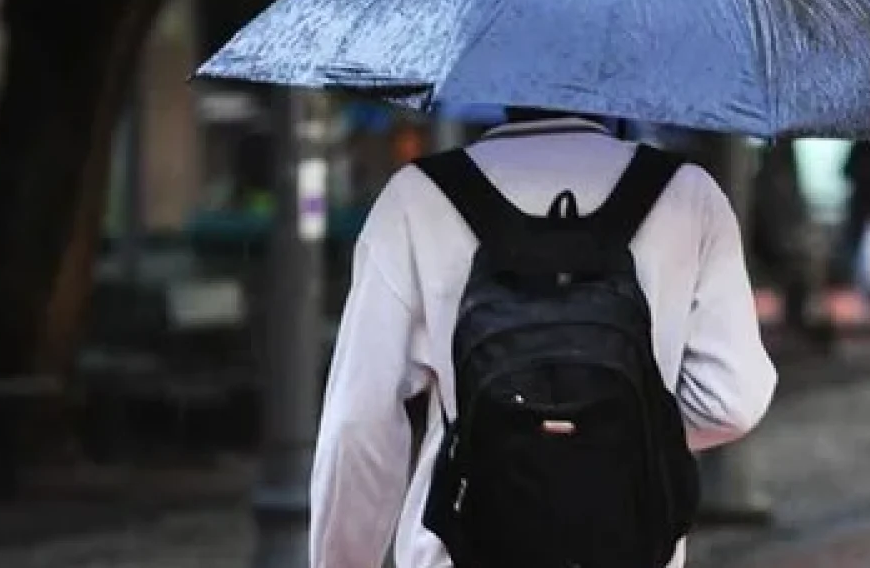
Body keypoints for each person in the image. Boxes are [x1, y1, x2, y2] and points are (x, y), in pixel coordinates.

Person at [309, 108, 777, 568]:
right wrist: (616, 430)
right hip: (629, 547)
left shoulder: (416, 198)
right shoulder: (689, 196)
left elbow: (358, 422)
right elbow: (731, 400)